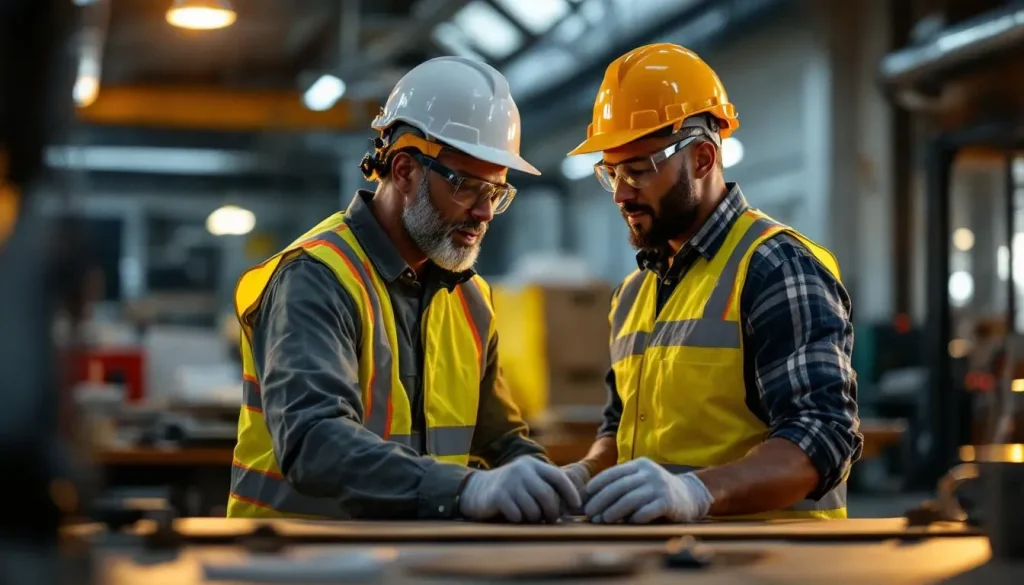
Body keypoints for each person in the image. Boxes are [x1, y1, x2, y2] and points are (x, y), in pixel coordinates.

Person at [228, 57, 580, 522]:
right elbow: (314, 442)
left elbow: (499, 440)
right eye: (467, 186)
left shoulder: (471, 299)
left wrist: (550, 486)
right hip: (291, 553)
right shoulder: (315, 278)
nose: (484, 213)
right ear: (404, 171)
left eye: (496, 193)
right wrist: (465, 489)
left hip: (411, 552)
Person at [560, 43, 863, 523]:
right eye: (611, 172)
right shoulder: (634, 292)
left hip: (775, 557)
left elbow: (821, 435)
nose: (620, 193)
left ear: (702, 158)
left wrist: (697, 493)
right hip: (667, 554)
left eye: (637, 170)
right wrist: (581, 475)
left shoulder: (775, 267)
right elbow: (621, 428)